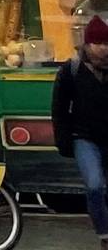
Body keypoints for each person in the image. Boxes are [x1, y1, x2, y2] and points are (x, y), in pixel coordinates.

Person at [51, 16, 108, 249]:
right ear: (87, 44)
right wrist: (64, 141)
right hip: (84, 138)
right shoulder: (71, 70)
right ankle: (105, 235)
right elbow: (59, 108)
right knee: (94, 185)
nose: (104, 48)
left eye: (107, 43)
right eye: (98, 43)